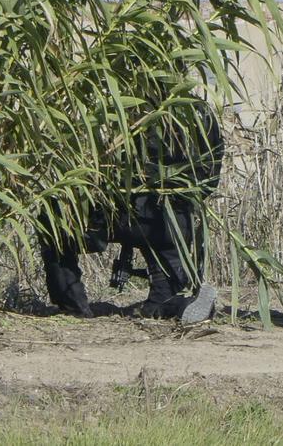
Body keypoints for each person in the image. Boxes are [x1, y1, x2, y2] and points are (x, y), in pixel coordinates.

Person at [38, 91, 223, 325]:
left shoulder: (129, 100)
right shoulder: (201, 111)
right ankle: (184, 306)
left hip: (127, 212)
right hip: (176, 225)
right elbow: (210, 178)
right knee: (161, 303)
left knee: (52, 221)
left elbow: (101, 162)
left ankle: (73, 307)